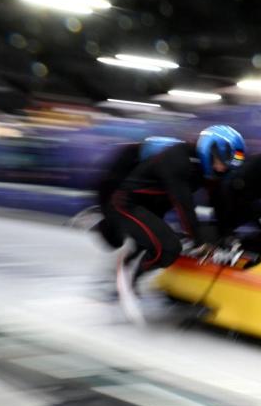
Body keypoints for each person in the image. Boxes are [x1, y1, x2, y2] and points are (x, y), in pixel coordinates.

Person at [96, 125, 246, 322]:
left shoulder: (208, 169)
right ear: (210, 149)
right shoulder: (178, 159)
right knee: (167, 248)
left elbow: (218, 201)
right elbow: (184, 204)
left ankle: (131, 272)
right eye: (221, 162)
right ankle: (127, 274)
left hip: (152, 206)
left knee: (155, 245)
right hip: (127, 203)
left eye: (227, 165)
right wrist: (200, 241)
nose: (222, 168)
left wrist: (225, 234)